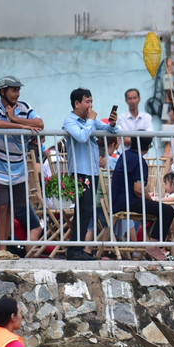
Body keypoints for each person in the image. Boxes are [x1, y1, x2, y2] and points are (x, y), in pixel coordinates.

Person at [0, 76, 44, 260]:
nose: (17, 93)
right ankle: (1, 248)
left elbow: (40, 124)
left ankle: (7, 247)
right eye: (13, 90)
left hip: (19, 168)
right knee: (1, 207)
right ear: (3, 91)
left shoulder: (25, 107)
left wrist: (13, 117)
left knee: (13, 208)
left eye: (18, 90)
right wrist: (18, 124)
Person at [63, 87, 118, 260]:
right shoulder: (70, 121)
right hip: (80, 172)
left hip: (92, 172)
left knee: (86, 211)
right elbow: (81, 136)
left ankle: (77, 250)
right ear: (77, 103)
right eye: (87, 102)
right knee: (83, 209)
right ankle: (74, 250)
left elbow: (110, 131)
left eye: (91, 101)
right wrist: (91, 120)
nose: (90, 105)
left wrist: (113, 124)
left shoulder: (90, 121)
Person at [108, 151, 174, 261]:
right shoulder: (139, 161)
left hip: (118, 202)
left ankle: (156, 247)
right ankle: (153, 246)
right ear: (148, 147)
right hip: (129, 202)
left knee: (160, 211)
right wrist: (152, 201)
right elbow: (138, 190)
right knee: (167, 211)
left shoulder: (124, 155)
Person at [117, 88, 152, 157]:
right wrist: (142, 139)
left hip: (143, 157)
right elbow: (125, 140)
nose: (133, 101)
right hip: (126, 156)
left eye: (135, 98)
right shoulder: (122, 118)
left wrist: (131, 139)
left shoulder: (147, 117)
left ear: (139, 99)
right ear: (126, 100)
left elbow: (149, 136)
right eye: (130, 98)